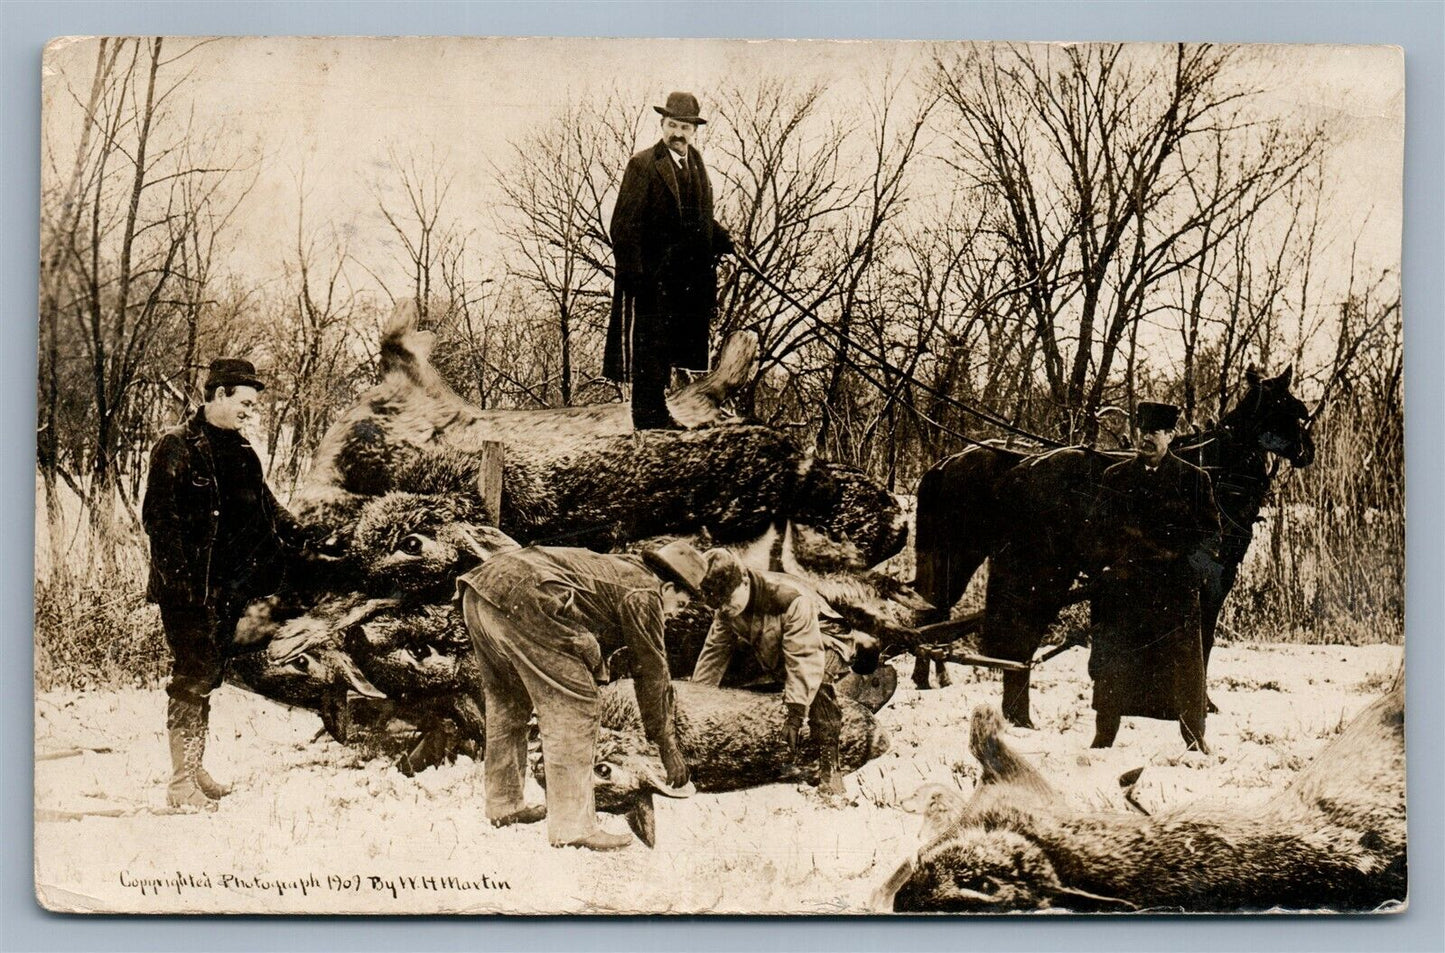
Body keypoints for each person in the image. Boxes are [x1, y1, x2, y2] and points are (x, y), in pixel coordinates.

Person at [454, 541, 701, 850]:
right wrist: (667, 745)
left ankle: (504, 804)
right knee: (577, 707)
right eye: (681, 604)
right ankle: (573, 827)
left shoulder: (624, 569)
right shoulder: (645, 594)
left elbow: (590, 625)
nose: (675, 614)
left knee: (508, 701)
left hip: (481, 590)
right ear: (668, 588)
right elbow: (652, 672)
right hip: (525, 599)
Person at [142, 358, 309, 811]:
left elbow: (266, 506)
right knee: (191, 676)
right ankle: (181, 784)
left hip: (228, 589)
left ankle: (194, 768)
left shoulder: (242, 450)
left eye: (252, 405)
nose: (249, 412)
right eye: (245, 403)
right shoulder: (177, 446)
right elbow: (159, 519)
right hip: (189, 590)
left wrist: (303, 534)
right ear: (219, 395)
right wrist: (180, 584)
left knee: (208, 676)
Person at [1087, 401, 1222, 754]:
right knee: (1113, 665)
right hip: (1125, 591)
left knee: (1184, 670)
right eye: (1142, 431)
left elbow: (1211, 536)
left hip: (1173, 592)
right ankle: (1104, 737)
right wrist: (1105, 569)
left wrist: (1191, 572)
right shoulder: (1115, 477)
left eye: (1155, 432)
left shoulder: (1194, 479)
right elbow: (1097, 531)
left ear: (1171, 436)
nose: (1146, 438)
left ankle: (1194, 737)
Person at [689, 548, 871, 796]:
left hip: (825, 641)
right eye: (719, 605)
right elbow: (714, 654)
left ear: (744, 581)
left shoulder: (788, 599)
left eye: (728, 601)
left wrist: (795, 715)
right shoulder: (726, 607)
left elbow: (804, 658)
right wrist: (695, 701)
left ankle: (830, 766)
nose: (726, 609)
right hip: (777, 647)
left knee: (817, 684)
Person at [604, 91, 735, 430]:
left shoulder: (696, 164)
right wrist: (635, 275)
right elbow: (622, 225)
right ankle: (648, 417)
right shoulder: (643, 164)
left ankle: (657, 412)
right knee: (647, 347)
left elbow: (699, 216)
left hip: (684, 279)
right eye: (672, 125)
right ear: (662, 124)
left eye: (685, 127)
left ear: (695, 131)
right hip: (650, 277)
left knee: (667, 349)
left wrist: (725, 240)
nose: (678, 133)